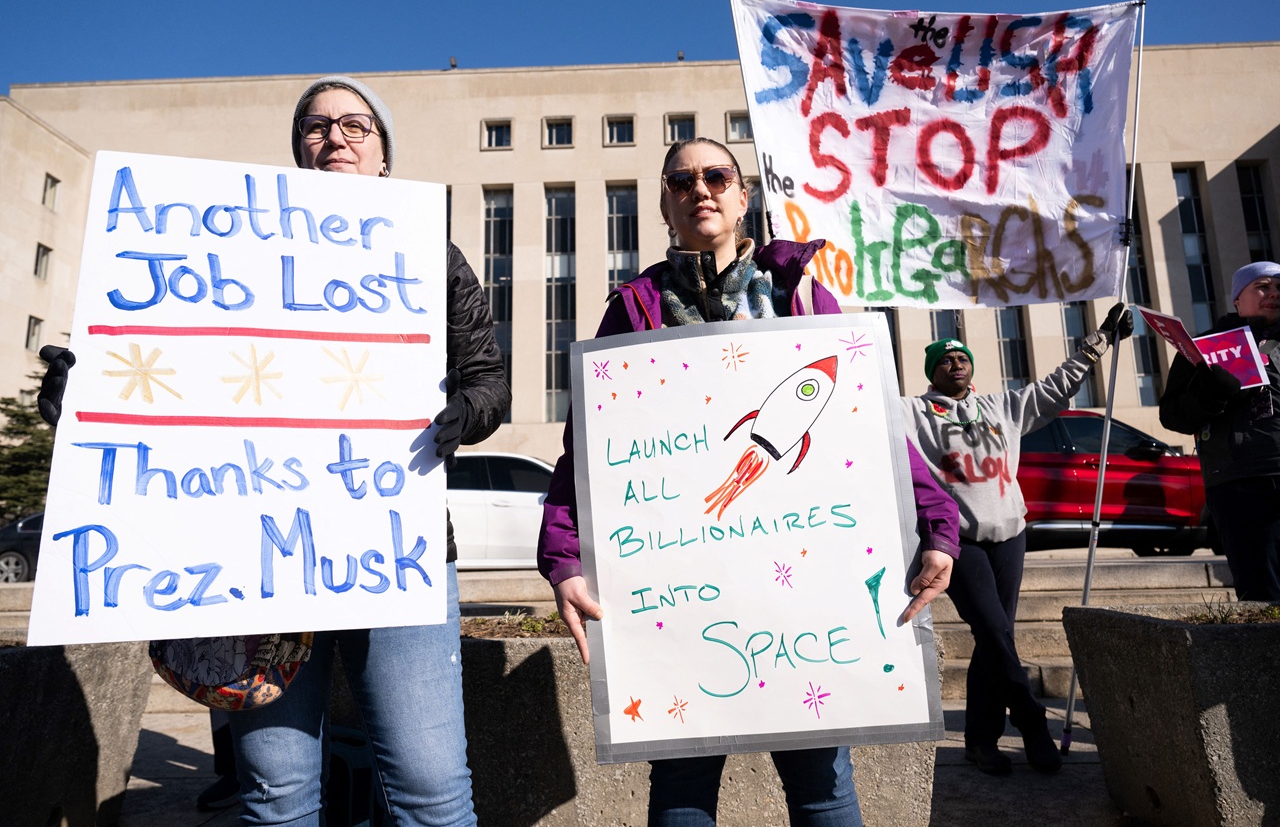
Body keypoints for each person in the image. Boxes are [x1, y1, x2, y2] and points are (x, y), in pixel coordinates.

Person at [39, 76, 510, 826]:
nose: (337, 137)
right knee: (276, 791)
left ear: (385, 156)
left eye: (357, 125)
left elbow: (490, 380)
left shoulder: (429, 251)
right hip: (260, 561)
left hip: (395, 548)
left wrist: (467, 411)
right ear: (297, 152)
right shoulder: (226, 247)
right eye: (316, 127)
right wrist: (89, 396)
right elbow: (170, 371)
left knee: (431, 787)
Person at [537, 137, 960, 827]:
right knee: (680, 788)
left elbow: (868, 424)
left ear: (743, 197)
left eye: (716, 175)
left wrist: (937, 525)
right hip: (678, 600)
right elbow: (581, 452)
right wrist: (562, 557)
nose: (699, 188)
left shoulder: (801, 296)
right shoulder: (632, 309)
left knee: (823, 784)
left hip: (802, 602)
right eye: (681, 180)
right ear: (666, 204)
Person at [900, 305, 1132, 777]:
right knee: (993, 631)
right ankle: (1031, 724)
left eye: (961, 357)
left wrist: (1100, 341)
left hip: (1010, 536)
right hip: (958, 543)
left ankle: (981, 743)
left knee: (994, 638)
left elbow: (1055, 387)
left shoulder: (1001, 407)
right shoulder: (911, 412)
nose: (956, 364)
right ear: (931, 372)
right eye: (944, 360)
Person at [1159, 260, 1280, 601]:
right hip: (1239, 482)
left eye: (1279, 288)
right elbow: (1173, 417)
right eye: (1263, 286)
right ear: (1238, 299)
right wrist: (1210, 395)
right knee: (1262, 593)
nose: (1273, 293)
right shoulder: (1203, 349)